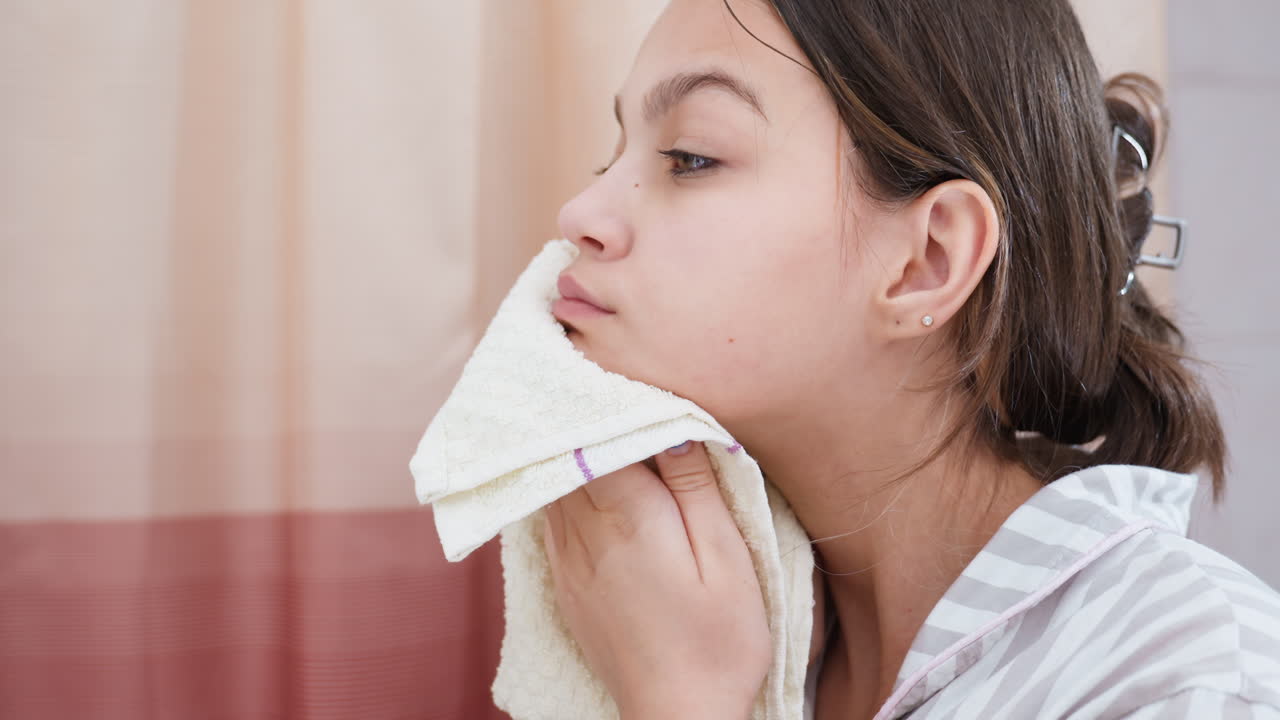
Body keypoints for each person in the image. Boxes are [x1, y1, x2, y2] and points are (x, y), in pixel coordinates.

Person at [538, 0, 1280, 718]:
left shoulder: (1190, 680)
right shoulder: (661, 593)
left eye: (688, 157)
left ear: (927, 260)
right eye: (612, 157)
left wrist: (682, 702)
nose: (581, 214)